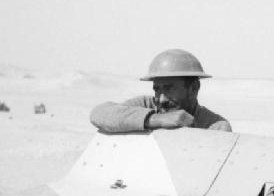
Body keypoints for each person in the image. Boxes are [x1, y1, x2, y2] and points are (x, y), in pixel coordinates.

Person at [90, 49, 231, 133]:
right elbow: (99, 113)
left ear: (193, 88)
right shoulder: (146, 105)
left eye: (169, 89)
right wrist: (155, 119)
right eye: (157, 90)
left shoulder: (215, 126)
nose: (162, 99)